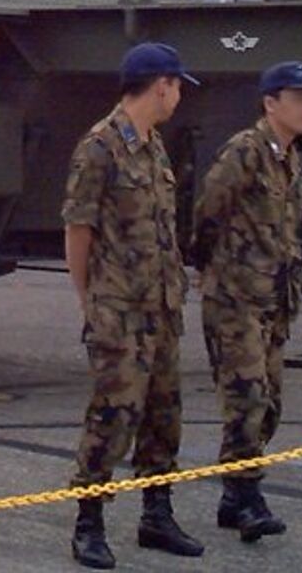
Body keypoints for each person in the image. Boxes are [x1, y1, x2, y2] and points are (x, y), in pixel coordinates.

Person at [60, 41, 209, 568]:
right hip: (118, 312)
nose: (178, 98)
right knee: (113, 415)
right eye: (175, 88)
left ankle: (156, 515)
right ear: (160, 85)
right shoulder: (99, 147)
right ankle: (89, 522)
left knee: (164, 416)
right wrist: (90, 302)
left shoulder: (153, 145)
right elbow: (78, 231)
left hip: (162, 308)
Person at [190, 60, 302, 542]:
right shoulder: (244, 152)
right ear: (271, 102)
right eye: (298, 97)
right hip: (236, 300)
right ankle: (246, 497)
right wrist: (209, 268)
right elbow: (208, 211)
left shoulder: (289, 157)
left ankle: (233, 497)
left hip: (274, 300)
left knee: (270, 404)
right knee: (247, 398)